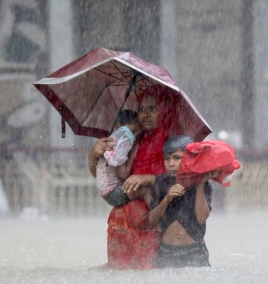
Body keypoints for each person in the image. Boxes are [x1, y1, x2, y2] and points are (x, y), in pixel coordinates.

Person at [88, 85, 183, 269]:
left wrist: (149, 178)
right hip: (122, 221)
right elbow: (103, 177)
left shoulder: (171, 141)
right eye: (142, 109)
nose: (146, 114)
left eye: (153, 109)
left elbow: (181, 177)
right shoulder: (129, 139)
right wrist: (93, 155)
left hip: (156, 219)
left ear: (164, 112)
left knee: (150, 278)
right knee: (121, 281)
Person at [148, 135, 218, 267]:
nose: (171, 164)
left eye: (177, 158)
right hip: (166, 251)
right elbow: (152, 220)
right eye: (167, 159)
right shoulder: (161, 182)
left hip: (194, 251)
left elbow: (202, 218)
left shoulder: (202, 182)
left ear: (189, 159)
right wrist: (167, 199)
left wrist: (200, 185)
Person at [96, 110, 151, 207]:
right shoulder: (120, 145)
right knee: (146, 190)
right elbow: (123, 174)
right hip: (114, 192)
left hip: (107, 192)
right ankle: (155, 214)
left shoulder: (112, 140)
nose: (134, 137)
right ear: (118, 127)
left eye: (138, 135)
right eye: (133, 132)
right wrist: (134, 153)